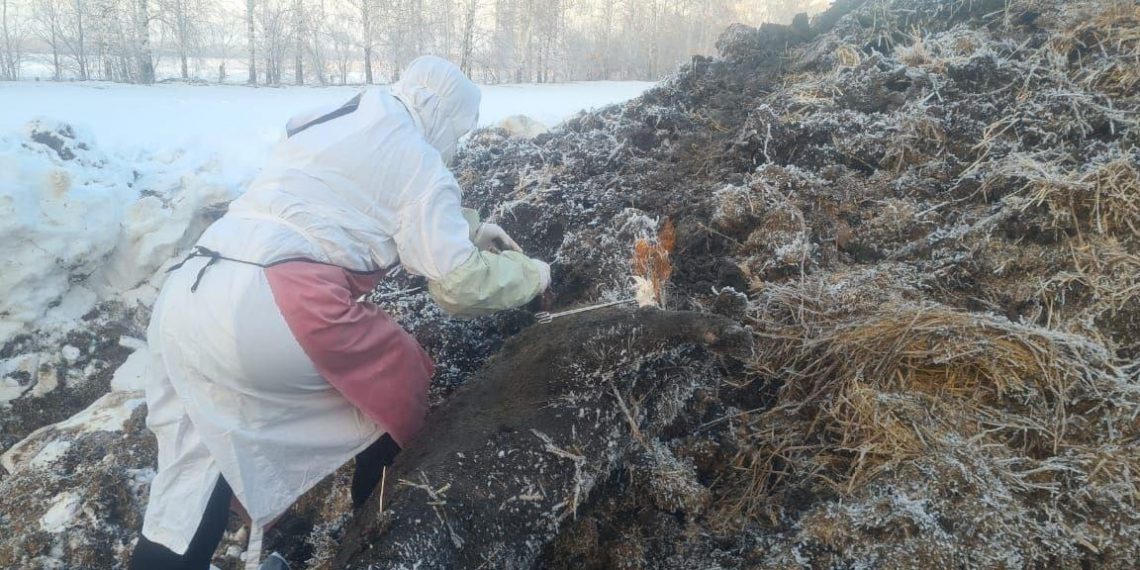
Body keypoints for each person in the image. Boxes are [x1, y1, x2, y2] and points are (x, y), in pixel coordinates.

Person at [130, 56, 550, 570]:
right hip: (276, 305)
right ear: (447, 118)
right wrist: (534, 275)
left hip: (190, 294)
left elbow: (349, 194)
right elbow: (458, 285)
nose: (455, 144)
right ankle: (379, 544)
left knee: (196, 471)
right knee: (398, 382)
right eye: (459, 131)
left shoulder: (341, 115)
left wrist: (465, 229)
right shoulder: (421, 159)